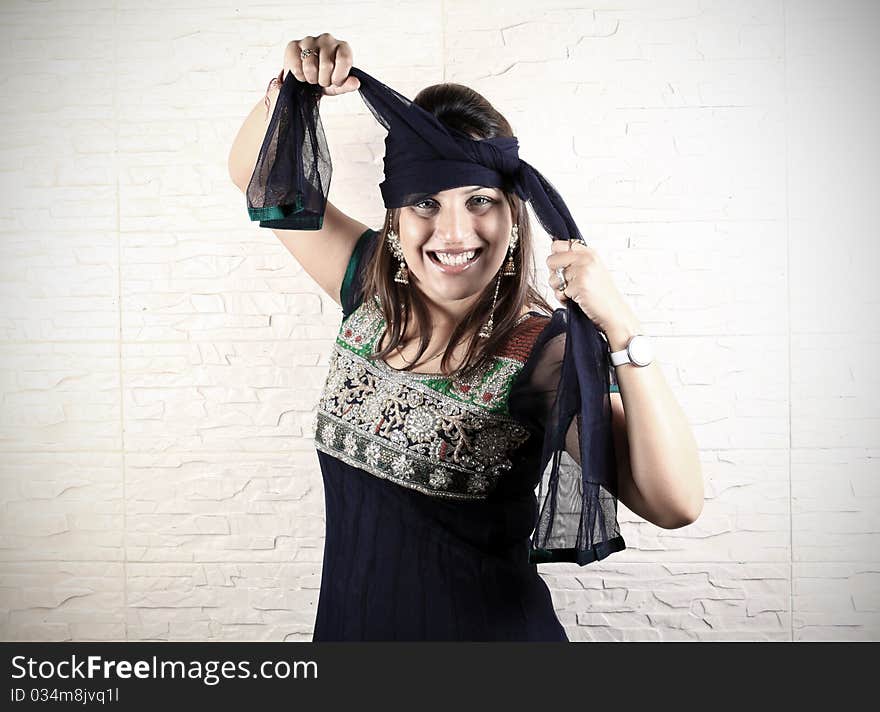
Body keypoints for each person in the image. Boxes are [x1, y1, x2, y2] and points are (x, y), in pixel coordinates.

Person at [228, 33, 704, 641]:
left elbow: (675, 503)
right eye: (426, 201)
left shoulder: (541, 354)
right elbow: (257, 174)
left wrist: (622, 328)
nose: (454, 233)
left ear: (513, 213)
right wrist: (294, 90)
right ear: (396, 217)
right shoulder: (368, 287)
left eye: (479, 200)